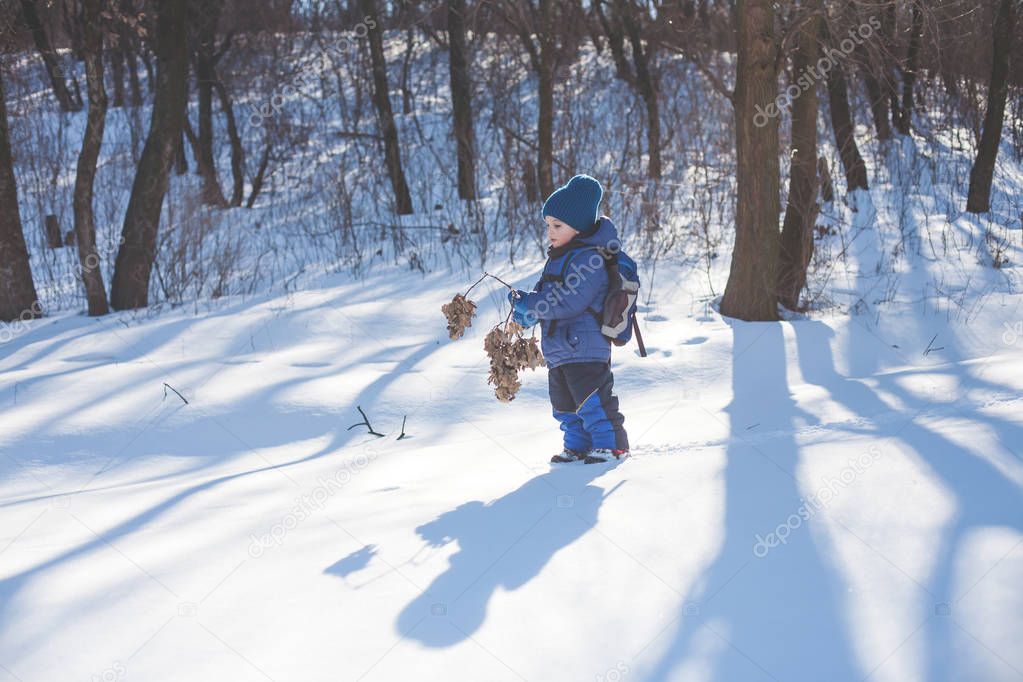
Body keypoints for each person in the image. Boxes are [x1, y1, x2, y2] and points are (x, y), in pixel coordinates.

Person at [507, 174, 630, 464]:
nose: (549, 231)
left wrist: (536, 304)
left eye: (557, 225)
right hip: (560, 349)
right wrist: (525, 310)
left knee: (592, 401)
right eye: (548, 225)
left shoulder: (589, 258)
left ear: (578, 227)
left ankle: (611, 445)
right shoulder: (558, 257)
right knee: (564, 405)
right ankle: (577, 445)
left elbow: (569, 299)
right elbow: (547, 297)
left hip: (585, 346)